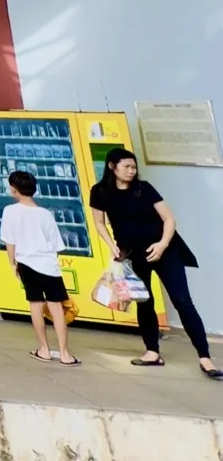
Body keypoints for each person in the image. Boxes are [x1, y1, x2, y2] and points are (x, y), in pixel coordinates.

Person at [89, 147, 219, 378]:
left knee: (182, 301)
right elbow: (99, 222)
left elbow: (169, 219)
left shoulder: (144, 188)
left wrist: (161, 245)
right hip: (132, 253)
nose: (132, 171)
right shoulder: (99, 192)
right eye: (126, 166)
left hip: (164, 250)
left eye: (133, 166)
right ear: (112, 166)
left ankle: (205, 357)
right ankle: (152, 352)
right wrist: (113, 246)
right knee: (144, 301)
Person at [0, 170, 78, 366]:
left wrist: (13, 263)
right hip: (49, 266)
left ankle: (44, 349)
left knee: (36, 306)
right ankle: (65, 354)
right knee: (57, 309)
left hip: (26, 263)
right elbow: (57, 245)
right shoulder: (46, 214)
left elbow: (10, 241)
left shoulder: (10, 211)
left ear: (14, 190)